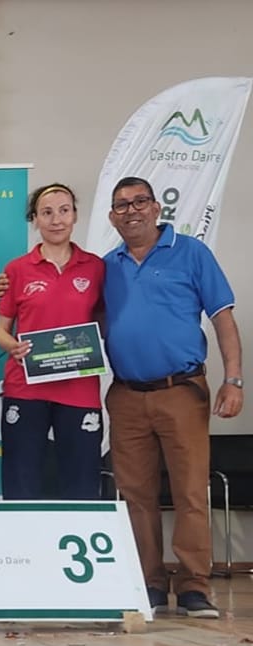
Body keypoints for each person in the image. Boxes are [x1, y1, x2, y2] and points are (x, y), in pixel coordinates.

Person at [102, 176, 242, 619]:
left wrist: (233, 380)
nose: (131, 210)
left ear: (157, 208)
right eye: (121, 205)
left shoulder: (192, 253)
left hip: (181, 390)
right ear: (112, 217)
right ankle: (150, 583)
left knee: (189, 491)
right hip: (126, 395)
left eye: (140, 201)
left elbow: (222, 319)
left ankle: (195, 585)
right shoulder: (107, 265)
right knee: (136, 494)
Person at [0, 183, 105, 500]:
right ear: (35, 220)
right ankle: (22, 549)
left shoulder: (96, 267)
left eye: (64, 210)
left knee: (82, 482)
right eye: (47, 212)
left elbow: (105, 322)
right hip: (26, 387)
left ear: (74, 216)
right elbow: (1, 331)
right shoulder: (16, 270)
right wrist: (12, 346)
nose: (56, 219)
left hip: (79, 389)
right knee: (21, 480)